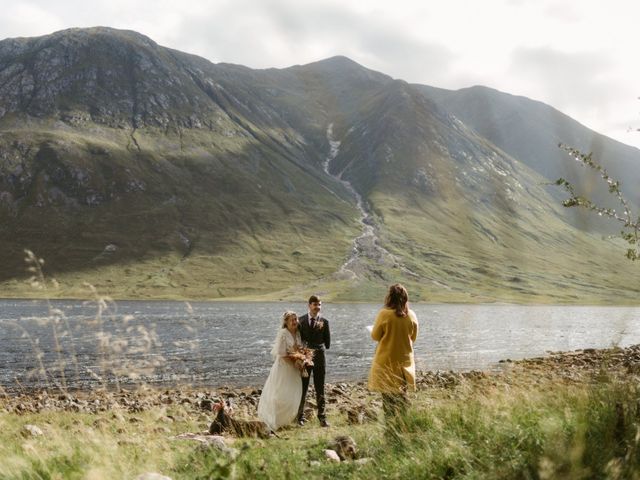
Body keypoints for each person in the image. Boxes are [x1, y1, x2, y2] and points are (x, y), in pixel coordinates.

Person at [368, 283, 419, 418]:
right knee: (402, 399)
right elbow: (413, 338)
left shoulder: (384, 314)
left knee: (388, 402)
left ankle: (391, 432)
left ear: (389, 297)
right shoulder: (412, 315)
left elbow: (375, 336)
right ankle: (403, 429)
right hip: (405, 364)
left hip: (386, 364)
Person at [257, 311, 303, 431]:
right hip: (284, 368)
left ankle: (286, 420)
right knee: (280, 394)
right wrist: (295, 362)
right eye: (291, 320)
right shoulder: (283, 333)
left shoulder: (298, 333)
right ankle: (274, 421)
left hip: (294, 369)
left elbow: (299, 349)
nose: (294, 322)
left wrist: (302, 358)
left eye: (296, 319)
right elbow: (282, 354)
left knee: (292, 394)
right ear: (286, 322)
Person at [297, 295, 331, 427]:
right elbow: (298, 340)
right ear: (309, 305)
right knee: (303, 387)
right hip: (305, 357)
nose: (318, 307)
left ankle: (322, 418)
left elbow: (327, 343)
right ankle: (300, 417)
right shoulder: (301, 320)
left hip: (320, 359)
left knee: (320, 387)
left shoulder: (325, 322)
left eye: (319, 305)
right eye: (315, 304)